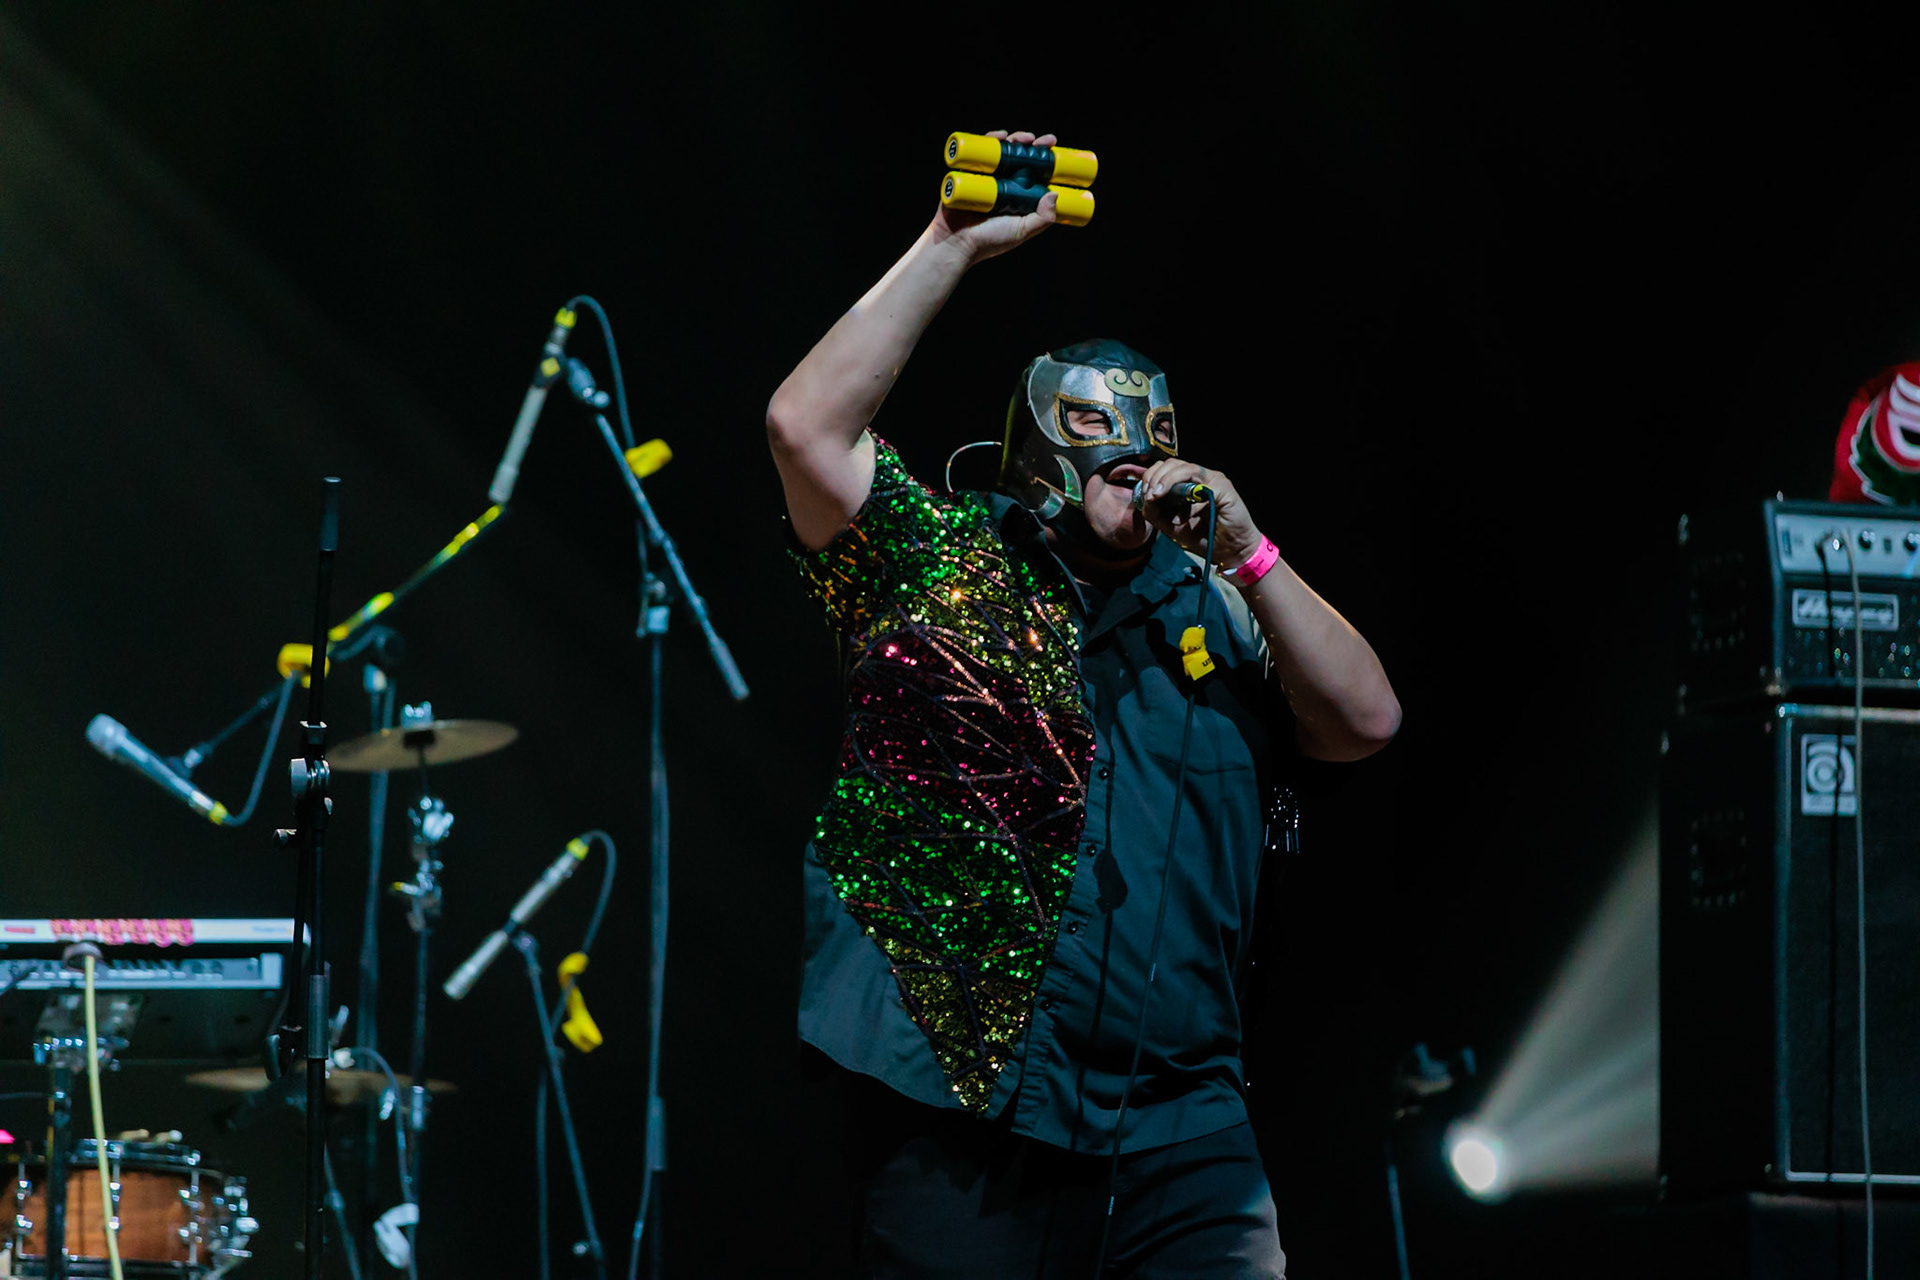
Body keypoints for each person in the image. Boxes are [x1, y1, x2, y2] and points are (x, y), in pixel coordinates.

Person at [766, 128, 1401, 1279]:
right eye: (1103, 430)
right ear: (1040, 449)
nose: (1138, 452)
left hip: (1183, 1126)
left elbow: (1366, 719)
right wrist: (952, 241)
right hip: (970, 1111)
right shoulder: (945, 569)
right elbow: (804, 429)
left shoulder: (1216, 603)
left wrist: (1255, 555)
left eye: (1153, 431)